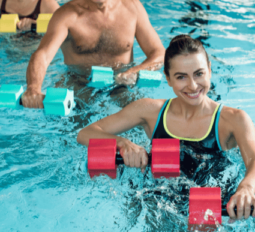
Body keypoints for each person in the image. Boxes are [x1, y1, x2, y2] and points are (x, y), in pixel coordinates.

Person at [77, 34, 255, 220]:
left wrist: (247, 187)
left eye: (199, 74)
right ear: (168, 79)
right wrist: (122, 143)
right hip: (158, 206)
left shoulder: (233, 120)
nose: (193, 86)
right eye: (181, 77)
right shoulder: (150, 111)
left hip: (211, 211)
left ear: (209, 71)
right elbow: (85, 133)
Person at [22, 0, 165, 108]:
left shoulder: (132, 8)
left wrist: (135, 71)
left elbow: (159, 53)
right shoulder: (66, 15)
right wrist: (33, 88)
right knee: (76, 130)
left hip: (122, 84)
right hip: (80, 84)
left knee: (142, 118)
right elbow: (43, 55)